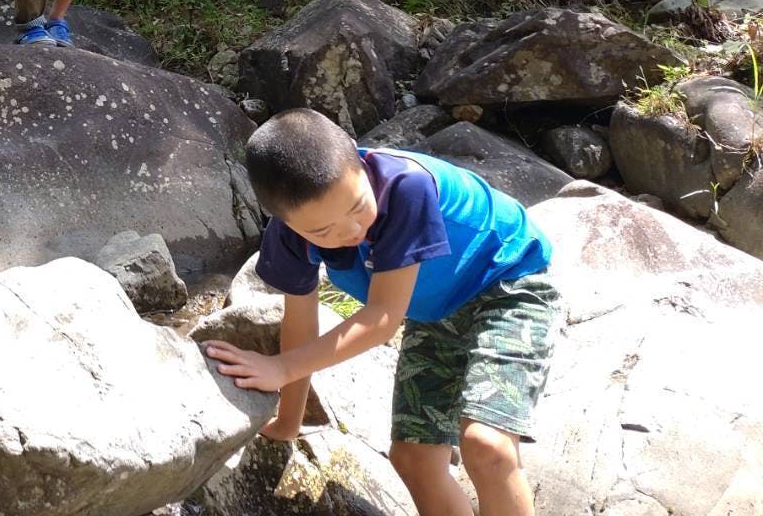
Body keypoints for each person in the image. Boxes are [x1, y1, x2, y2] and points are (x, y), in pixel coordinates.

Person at [205, 108, 560, 516]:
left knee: (487, 446)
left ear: (358, 162)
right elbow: (300, 322)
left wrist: (281, 368)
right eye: (323, 232)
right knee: (413, 458)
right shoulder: (288, 239)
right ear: (287, 224)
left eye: (357, 206)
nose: (350, 231)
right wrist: (288, 422)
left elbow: (382, 320)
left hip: (508, 284)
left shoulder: (405, 188)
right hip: (435, 311)